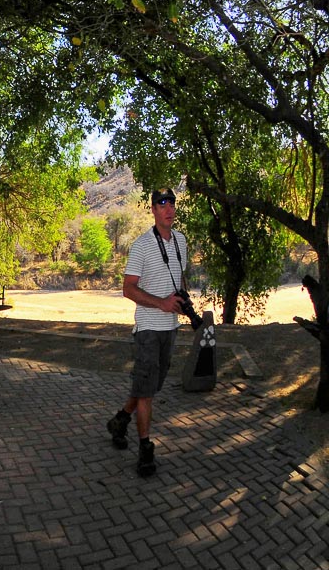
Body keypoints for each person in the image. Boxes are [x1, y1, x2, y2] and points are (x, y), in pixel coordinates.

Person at [107, 187, 188, 477]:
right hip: (148, 329)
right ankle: (145, 450)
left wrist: (182, 302)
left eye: (172, 203)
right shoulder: (142, 245)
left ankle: (120, 420)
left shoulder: (181, 241)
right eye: (162, 204)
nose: (168, 208)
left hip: (171, 328)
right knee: (147, 392)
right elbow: (127, 289)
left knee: (149, 388)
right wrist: (161, 303)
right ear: (153, 209)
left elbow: (178, 279)